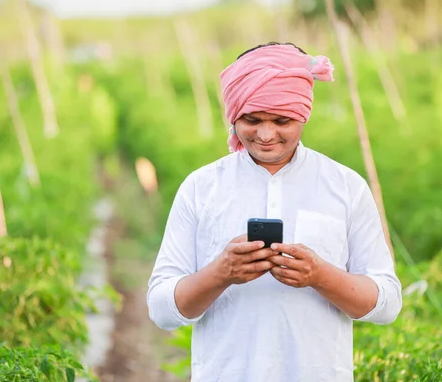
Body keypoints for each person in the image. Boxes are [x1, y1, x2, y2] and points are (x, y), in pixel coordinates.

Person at [147, 42, 402, 381]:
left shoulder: (345, 187)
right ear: (233, 115)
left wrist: (320, 276)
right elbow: (161, 309)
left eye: (282, 120)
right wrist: (221, 273)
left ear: (303, 115)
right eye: (251, 120)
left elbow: (386, 304)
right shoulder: (202, 187)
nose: (266, 135)